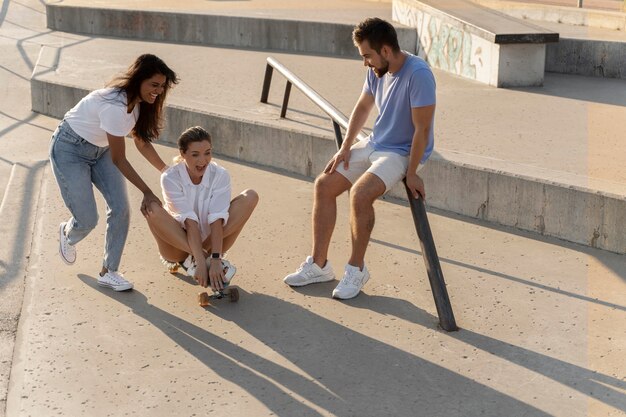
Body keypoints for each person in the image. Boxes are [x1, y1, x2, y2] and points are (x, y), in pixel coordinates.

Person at [283, 17, 436, 299]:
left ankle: (356, 269)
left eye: (367, 55)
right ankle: (319, 265)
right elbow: (363, 107)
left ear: (386, 51)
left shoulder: (419, 74)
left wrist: (412, 172)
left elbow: (422, 130)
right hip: (376, 142)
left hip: (403, 151)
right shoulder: (376, 70)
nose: (365, 62)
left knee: (360, 194)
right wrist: (346, 147)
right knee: (324, 185)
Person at [49, 54, 179, 291]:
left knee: (121, 209)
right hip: (69, 149)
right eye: (154, 85)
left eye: (161, 86)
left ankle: (109, 271)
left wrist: (165, 170)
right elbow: (120, 159)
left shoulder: (140, 105)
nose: (158, 91)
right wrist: (147, 191)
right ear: (138, 80)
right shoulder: (115, 107)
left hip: (101, 151)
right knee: (88, 220)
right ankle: (68, 232)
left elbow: (141, 141)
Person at [144, 126, 259, 292]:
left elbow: (217, 220)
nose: (203, 161)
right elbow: (190, 222)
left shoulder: (220, 175)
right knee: (152, 208)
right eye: (195, 154)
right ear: (183, 154)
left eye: (207, 153)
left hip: (211, 242)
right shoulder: (170, 177)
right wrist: (201, 259)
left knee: (251, 196)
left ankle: (206, 259)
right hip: (178, 248)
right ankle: (194, 260)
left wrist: (216, 258)